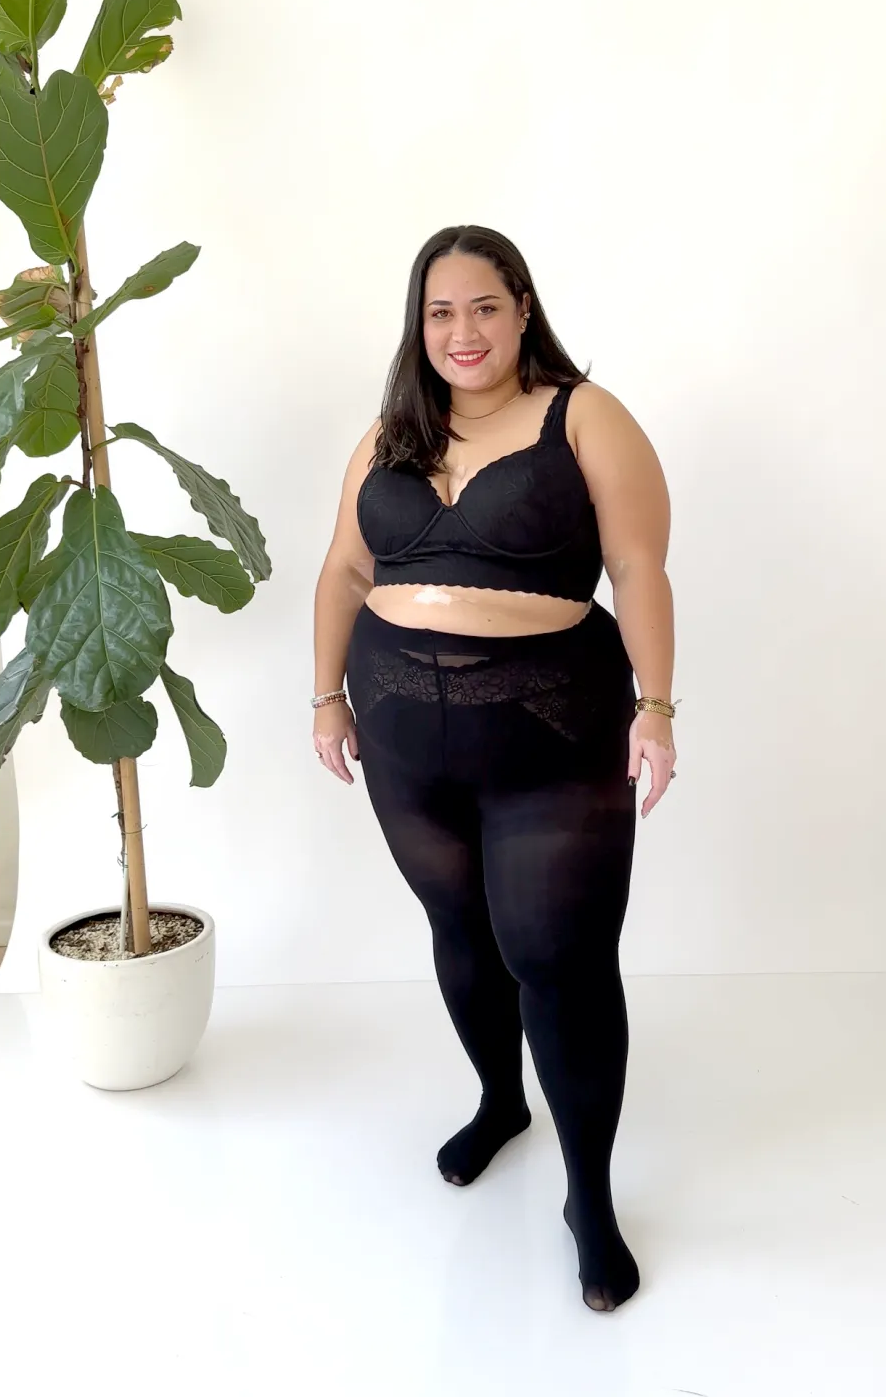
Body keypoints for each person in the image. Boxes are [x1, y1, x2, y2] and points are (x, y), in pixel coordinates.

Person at [311, 224, 677, 1312]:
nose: (461, 331)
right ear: (417, 326)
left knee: (558, 960)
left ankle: (588, 1200)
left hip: (551, 738)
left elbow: (638, 567)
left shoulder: (585, 417)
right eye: (440, 312)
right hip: (399, 740)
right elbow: (343, 570)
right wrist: (325, 697)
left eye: (482, 306)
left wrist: (657, 709)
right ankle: (498, 1102)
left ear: (521, 308)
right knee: (462, 933)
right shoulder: (390, 434)